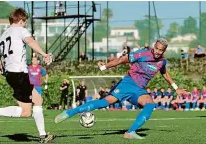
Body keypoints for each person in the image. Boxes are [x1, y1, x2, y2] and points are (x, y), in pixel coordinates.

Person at [55, 38, 187, 139]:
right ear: (154, 46)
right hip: (128, 83)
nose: (158, 52)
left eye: (161, 50)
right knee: (104, 103)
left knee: (150, 105)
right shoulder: (142, 54)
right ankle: (69, 113)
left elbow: (164, 73)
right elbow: (122, 60)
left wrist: (176, 88)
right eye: (157, 48)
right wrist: (104, 67)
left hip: (139, 89)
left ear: (164, 51)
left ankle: (130, 132)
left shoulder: (162, 61)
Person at [0, 8, 55, 143]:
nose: (25, 24)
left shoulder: (3, 36)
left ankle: (43, 136)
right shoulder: (21, 30)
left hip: (11, 75)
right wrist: (44, 54)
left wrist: (4, 71)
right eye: (25, 21)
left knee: (33, 105)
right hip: (20, 73)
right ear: (20, 20)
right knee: (28, 110)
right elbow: (31, 41)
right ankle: (43, 136)